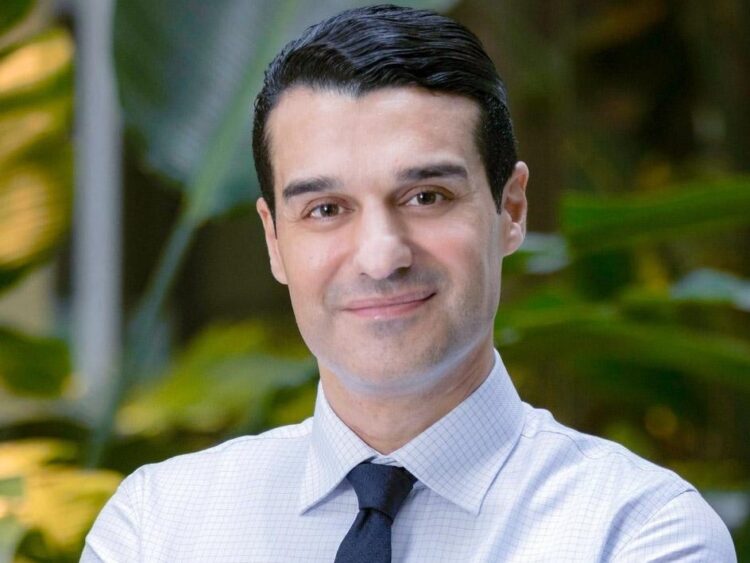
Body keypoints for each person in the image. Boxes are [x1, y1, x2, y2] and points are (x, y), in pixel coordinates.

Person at [82, 5, 736, 562]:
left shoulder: (635, 532)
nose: (380, 256)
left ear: (511, 209)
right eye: (326, 209)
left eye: (426, 196)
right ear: (274, 239)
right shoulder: (157, 525)